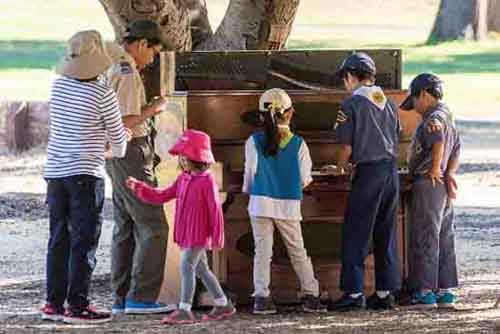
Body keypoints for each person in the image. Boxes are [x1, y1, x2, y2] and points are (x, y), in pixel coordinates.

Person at [41, 30, 129, 324]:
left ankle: (53, 303)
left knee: (58, 238)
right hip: (85, 174)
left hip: (55, 173)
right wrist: (115, 143)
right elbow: (118, 143)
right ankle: (77, 305)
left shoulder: (59, 86)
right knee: (84, 240)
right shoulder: (102, 94)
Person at [126, 129, 236, 324]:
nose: (183, 161)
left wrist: (217, 236)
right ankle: (223, 305)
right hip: (186, 232)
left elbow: (215, 210)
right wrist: (140, 188)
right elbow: (163, 195)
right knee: (202, 270)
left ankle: (185, 309)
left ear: (198, 157)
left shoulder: (207, 181)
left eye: (187, 157)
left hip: (198, 234)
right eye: (182, 157)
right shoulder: (183, 179)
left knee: (187, 266)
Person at [105, 19, 174, 314]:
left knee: (126, 225)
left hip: (116, 156)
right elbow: (124, 122)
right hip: (130, 152)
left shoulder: (112, 64)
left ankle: (121, 297)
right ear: (143, 44)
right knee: (154, 225)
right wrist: (154, 108)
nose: (153, 59)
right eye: (154, 52)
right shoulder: (128, 72)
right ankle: (141, 297)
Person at [328, 53, 402, 311]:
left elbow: (346, 146)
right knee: (386, 231)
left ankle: (354, 292)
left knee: (357, 232)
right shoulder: (390, 103)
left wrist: (338, 167)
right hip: (390, 172)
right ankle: (384, 293)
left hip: (368, 173)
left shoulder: (350, 105)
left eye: (344, 79)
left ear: (350, 77)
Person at [242, 88, 326, 314]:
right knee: (298, 250)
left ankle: (261, 297)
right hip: (288, 205)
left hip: (259, 203)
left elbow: (250, 174)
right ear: (290, 114)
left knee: (262, 252)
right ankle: (311, 295)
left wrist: (251, 192)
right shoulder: (299, 144)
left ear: (261, 116)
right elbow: (305, 179)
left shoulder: (253, 141)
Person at [400, 73, 461, 309]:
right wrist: (449, 172)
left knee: (426, 235)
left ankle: (424, 292)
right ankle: (444, 291)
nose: (415, 108)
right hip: (442, 183)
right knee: (444, 235)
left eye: (415, 101)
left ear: (424, 94)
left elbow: (437, 140)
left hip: (429, 182)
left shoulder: (433, 118)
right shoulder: (448, 116)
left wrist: (435, 167)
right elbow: (456, 148)